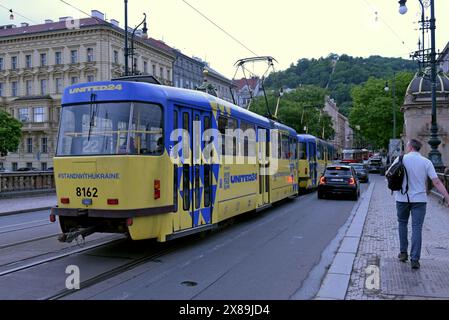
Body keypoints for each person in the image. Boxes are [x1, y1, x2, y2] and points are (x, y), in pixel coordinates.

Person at [388, 139, 449, 269]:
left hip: (402, 198)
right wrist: (447, 196)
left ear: (409, 147)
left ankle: (403, 253)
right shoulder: (426, 162)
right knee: (417, 228)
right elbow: (436, 182)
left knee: (402, 224)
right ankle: (415, 259)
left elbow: (389, 174)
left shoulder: (400, 159)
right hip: (420, 200)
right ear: (419, 148)